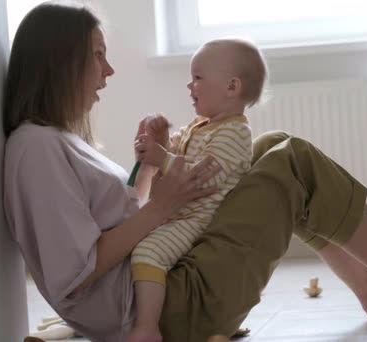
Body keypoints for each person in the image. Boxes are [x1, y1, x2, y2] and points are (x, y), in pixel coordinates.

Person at [2, 2, 367, 342]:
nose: (108, 72)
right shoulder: (35, 149)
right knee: (289, 158)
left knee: (269, 149)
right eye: (97, 56)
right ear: (60, 64)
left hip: (165, 281)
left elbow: (124, 217)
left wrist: (153, 164)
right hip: (162, 308)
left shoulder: (56, 141)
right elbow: (77, 273)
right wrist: (164, 204)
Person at [128, 38, 266, 342]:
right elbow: (174, 154)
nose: (190, 86)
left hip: (198, 219)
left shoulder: (234, 134)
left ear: (232, 87)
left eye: (198, 78)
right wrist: (157, 144)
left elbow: (199, 179)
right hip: (178, 213)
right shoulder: (199, 126)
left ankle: (147, 328)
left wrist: (162, 157)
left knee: (147, 253)